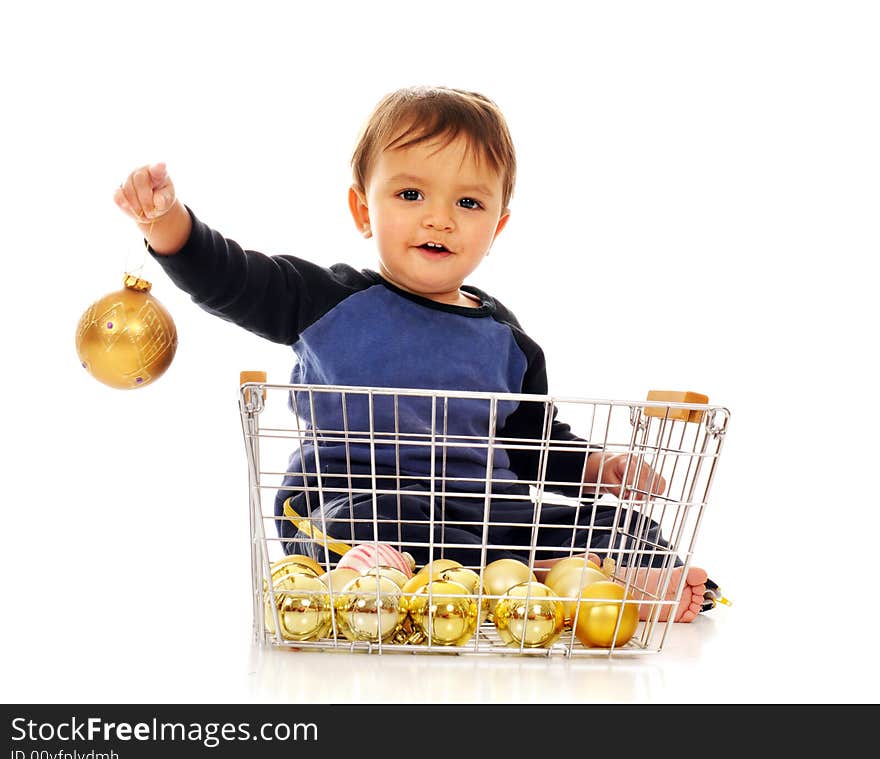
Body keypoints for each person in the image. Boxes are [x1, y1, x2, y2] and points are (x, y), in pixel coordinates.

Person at [114, 86, 709, 622]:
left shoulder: (507, 338)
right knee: (347, 517)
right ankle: (378, 574)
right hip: (365, 507)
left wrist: (596, 468)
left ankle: (619, 573)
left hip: (482, 519)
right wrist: (169, 224)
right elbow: (234, 279)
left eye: (469, 205)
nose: (439, 218)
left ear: (497, 227)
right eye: (410, 192)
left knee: (615, 524)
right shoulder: (327, 301)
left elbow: (534, 443)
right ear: (363, 210)